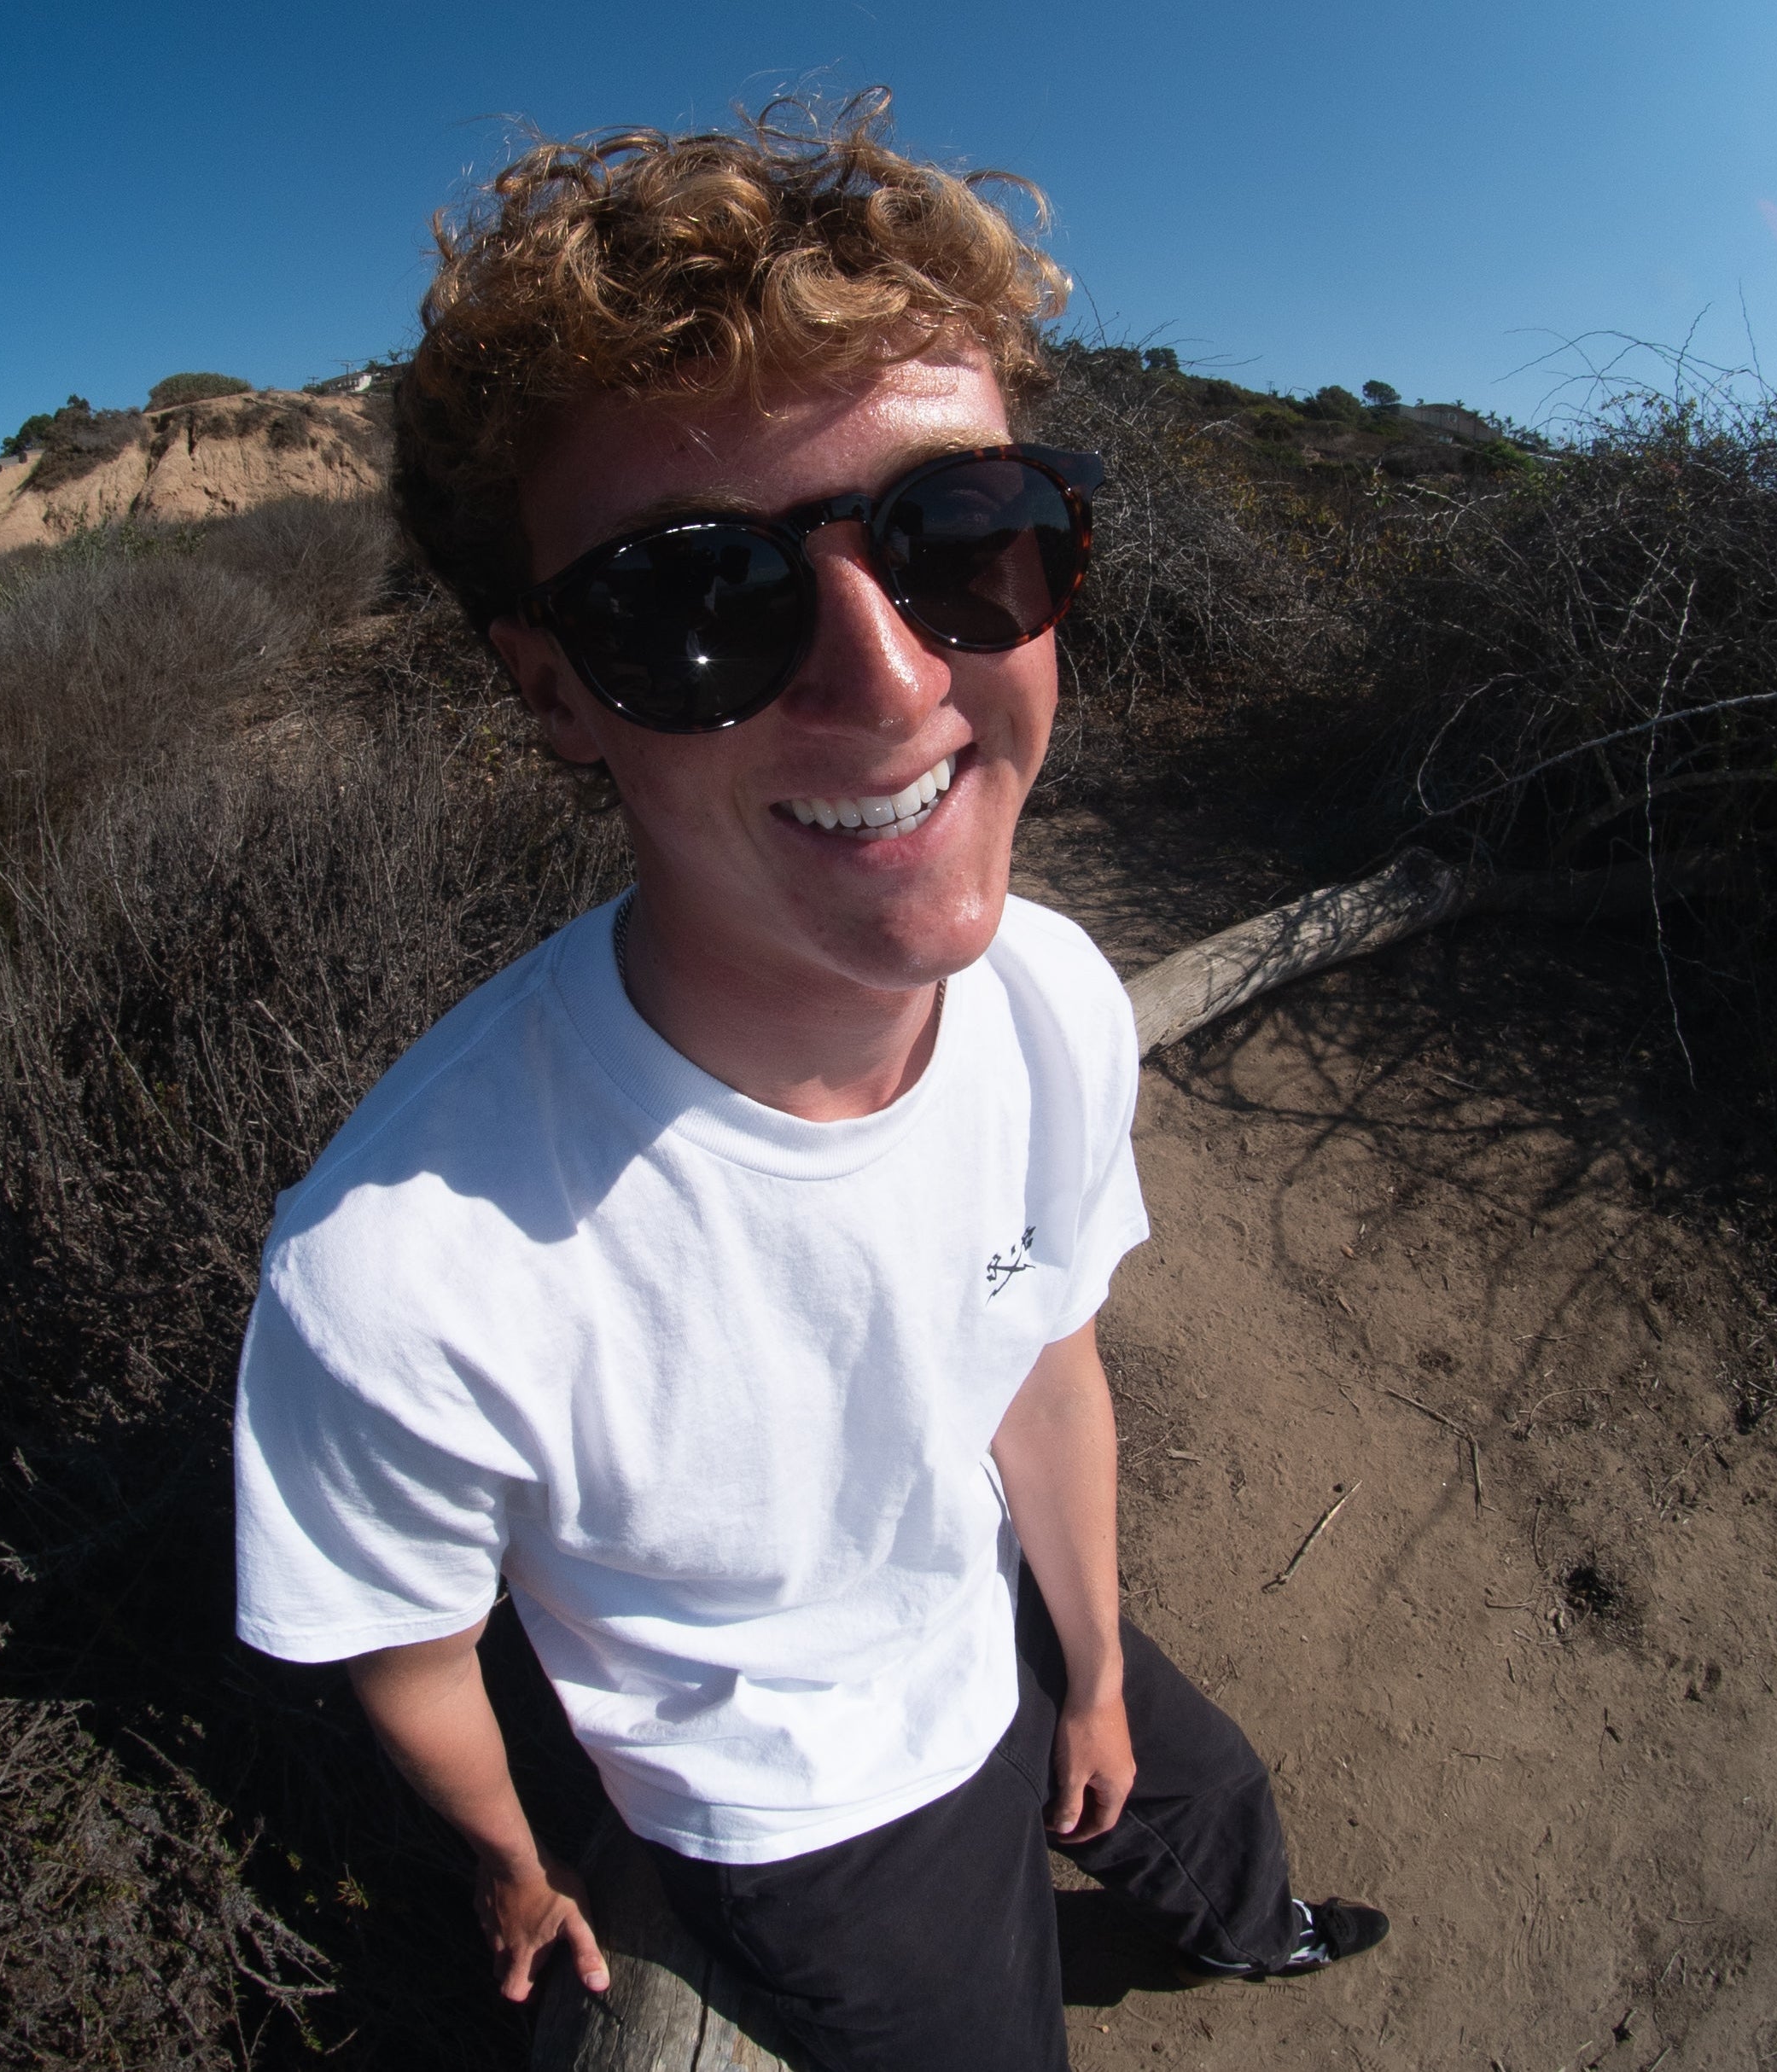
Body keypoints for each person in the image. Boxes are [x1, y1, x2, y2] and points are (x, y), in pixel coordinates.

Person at [233, 94, 1385, 2072]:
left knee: (1191, 1784)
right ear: (550, 689)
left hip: (999, 1583)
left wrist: (1092, 1662)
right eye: (696, 601)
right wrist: (517, 1862)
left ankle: (1248, 1924)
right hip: (815, 1796)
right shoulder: (398, 1276)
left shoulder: (1048, 991)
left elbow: (1038, 1355)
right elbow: (409, 1646)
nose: (890, 677)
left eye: (961, 537)